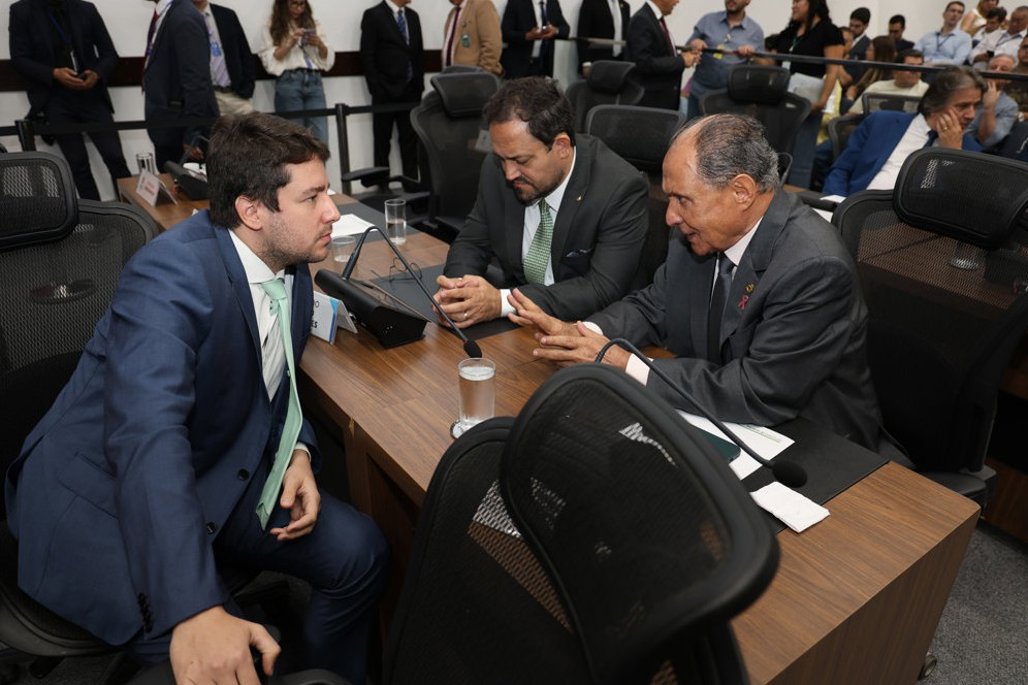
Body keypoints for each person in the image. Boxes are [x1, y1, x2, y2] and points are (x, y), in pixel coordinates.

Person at [5, 112, 388, 685]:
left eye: (326, 192)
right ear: (252, 210)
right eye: (313, 198)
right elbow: (147, 439)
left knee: (361, 552)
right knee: (232, 660)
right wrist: (196, 607)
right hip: (106, 501)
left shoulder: (289, 262)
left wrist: (298, 449)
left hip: (216, 463)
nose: (333, 211)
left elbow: (278, 372)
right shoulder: (169, 276)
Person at [508, 113, 886, 452]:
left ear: (741, 191)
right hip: (719, 416)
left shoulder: (813, 267)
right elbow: (653, 305)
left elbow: (759, 389)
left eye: (682, 199)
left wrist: (623, 362)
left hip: (816, 444)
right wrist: (583, 335)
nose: (670, 217)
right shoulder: (698, 232)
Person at [434, 77, 648, 327]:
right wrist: (458, 293)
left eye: (521, 161)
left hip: (587, 328)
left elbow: (601, 289)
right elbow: (472, 242)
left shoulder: (619, 188)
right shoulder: (497, 168)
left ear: (561, 146)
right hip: (518, 327)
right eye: (502, 159)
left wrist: (501, 302)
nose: (509, 173)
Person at [9, 0, 130, 200]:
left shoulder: (86, 9)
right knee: (78, 165)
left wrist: (97, 74)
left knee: (115, 157)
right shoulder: (21, 11)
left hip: (92, 96)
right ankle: (96, 216)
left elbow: (109, 54)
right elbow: (20, 59)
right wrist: (53, 73)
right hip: (55, 99)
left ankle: (132, 212)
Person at [823, 67, 985, 196]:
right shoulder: (881, 122)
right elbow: (841, 170)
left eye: (976, 106)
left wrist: (953, 155)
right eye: (963, 106)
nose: (971, 115)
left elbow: (957, 204)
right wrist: (837, 206)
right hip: (854, 211)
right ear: (935, 103)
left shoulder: (971, 151)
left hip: (911, 225)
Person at [770, 0, 845, 189]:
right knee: (776, 152)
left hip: (808, 102)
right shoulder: (790, 31)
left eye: (798, 1)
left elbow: (833, 70)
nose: (793, 6)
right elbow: (774, 63)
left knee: (801, 155)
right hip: (782, 100)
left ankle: (795, 197)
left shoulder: (828, 31)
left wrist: (822, 101)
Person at [143, 0, 218, 170]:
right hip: (169, 128)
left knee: (188, 185)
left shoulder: (183, 17)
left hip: (181, 132)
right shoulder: (168, 14)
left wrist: (192, 135)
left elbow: (197, 81)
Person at [360, 0, 424, 180]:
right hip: (385, 91)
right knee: (382, 141)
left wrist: (419, 84)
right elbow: (367, 54)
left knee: (410, 141)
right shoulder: (374, 15)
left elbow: (418, 52)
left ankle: (411, 183)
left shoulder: (413, 16)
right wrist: (376, 88)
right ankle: (382, 185)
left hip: (411, 90)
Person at [260, 0, 334, 144]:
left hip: (314, 80)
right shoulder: (271, 25)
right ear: (284, 4)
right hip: (289, 81)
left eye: (302, 4)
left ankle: (319, 160)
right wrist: (289, 43)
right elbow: (270, 61)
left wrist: (319, 44)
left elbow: (326, 59)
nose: (298, 9)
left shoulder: (313, 22)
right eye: (294, 4)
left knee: (320, 138)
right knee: (294, 139)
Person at [684, 0, 765, 120]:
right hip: (699, 93)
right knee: (693, 130)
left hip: (731, 99)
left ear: (748, 1)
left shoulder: (755, 31)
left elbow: (764, 65)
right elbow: (686, 48)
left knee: (723, 132)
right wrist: (694, 43)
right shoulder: (708, 20)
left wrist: (752, 55)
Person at [627, 0, 700, 110]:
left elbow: (660, 54)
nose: (677, 1)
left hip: (662, 99)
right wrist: (681, 61)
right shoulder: (642, 19)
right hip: (650, 103)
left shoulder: (654, 19)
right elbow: (644, 63)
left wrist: (684, 57)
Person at [192, 0, 257, 115]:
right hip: (208, 99)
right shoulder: (182, 18)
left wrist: (247, 87)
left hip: (236, 95)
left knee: (252, 124)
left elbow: (244, 53)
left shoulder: (227, 15)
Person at [847, 49, 929, 115]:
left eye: (919, 67)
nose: (916, 71)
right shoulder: (876, 87)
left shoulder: (926, 91)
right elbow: (853, 114)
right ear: (896, 70)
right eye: (910, 67)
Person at [501, 0, 570, 79]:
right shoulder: (516, 2)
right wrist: (526, 36)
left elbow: (566, 29)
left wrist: (555, 31)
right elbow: (505, 33)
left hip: (543, 66)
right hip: (518, 65)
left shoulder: (552, 3)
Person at [969, 53, 1020, 147]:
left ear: (1009, 79)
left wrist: (989, 108)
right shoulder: (967, 90)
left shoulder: (1010, 106)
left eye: (1003, 69)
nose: (996, 71)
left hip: (971, 147)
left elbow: (986, 141)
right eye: (993, 67)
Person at [442, 0, 503, 76]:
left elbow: (492, 44)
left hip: (475, 78)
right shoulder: (453, 13)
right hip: (452, 77)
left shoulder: (483, 5)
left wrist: (482, 74)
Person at [576, 0, 630, 74]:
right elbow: (583, 34)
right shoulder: (591, 2)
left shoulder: (625, 6)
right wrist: (585, 63)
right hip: (597, 63)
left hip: (620, 63)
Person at [845, 35, 898, 106]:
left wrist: (850, 98)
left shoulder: (886, 79)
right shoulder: (866, 69)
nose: (866, 52)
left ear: (879, 53)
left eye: (870, 50)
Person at [915, 2, 973, 67]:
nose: (955, 14)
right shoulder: (928, 36)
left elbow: (957, 62)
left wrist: (932, 63)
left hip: (945, 71)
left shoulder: (965, 38)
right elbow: (914, 53)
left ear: (961, 17)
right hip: (922, 68)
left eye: (959, 12)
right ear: (944, 14)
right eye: (952, 11)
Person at [842, 7, 872, 87]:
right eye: (851, 25)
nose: (852, 29)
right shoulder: (842, 36)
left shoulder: (868, 46)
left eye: (857, 26)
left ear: (866, 25)